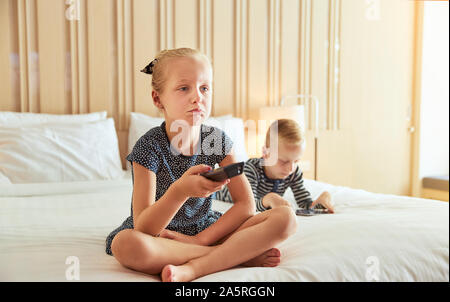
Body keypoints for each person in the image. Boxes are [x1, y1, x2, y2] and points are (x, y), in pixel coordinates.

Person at [105, 48, 297, 282]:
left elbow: (246, 205)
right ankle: (232, 256)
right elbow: (144, 228)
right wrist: (180, 191)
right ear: (158, 99)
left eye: (204, 88)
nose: (198, 97)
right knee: (124, 244)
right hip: (162, 238)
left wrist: (200, 240)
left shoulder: (217, 141)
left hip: (206, 231)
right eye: (184, 88)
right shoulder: (148, 148)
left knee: (286, 218)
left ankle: (196, 266)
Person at [215, 119, 334, 213]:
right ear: (266, 153)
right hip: (220, 191)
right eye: (283, 161)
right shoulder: (251, 170)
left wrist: (320, 202)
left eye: (296, 161)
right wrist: (269, 199)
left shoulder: (293, 172)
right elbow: (248, 204)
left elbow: (304, 203)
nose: (290, 168)